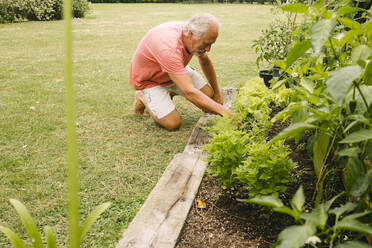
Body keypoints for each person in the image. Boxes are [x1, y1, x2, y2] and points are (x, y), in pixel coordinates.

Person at [129, 13, 231, 131]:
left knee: (208, 96)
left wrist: (217, 94)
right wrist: (225, 113)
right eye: (206, 44)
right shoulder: (169, 47)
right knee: (173, 123)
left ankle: (171, 91)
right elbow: (189, 92)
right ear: (191, 34)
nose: (208, 49)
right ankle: (143, 97)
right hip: (150, 80)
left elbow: (205, 62)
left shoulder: (194, 35)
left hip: (174, 69)